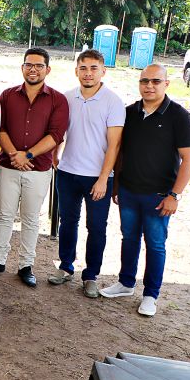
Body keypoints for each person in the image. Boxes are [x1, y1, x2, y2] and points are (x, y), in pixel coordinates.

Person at [100, 64, 190, 316]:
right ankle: (126, 283)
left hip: (159, 196)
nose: (149, 86)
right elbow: (120, 150)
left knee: (155, 245)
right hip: (129, 191)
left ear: (166, 84)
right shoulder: (129, 113)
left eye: (155, 81)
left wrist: (174, 195)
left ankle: (151, 294)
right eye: (144, 81)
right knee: (129, 239)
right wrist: (117, 185)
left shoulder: (179, 116)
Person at [0, 48, 69, 287]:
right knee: (5, 216)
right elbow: (0, 129)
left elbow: (56, 135)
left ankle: (25, 265)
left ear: (47, 70)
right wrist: (14, 155)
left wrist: (27, 155)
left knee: (30, 219)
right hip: (9, 166)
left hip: (38, 169)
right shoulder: (7, 96)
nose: (33, 69)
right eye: (29, 64)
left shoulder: (58, 99)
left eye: (39, 65)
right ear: (22, 68)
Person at [49, 49, 124, 298]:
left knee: (97, 227)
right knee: (68, 222)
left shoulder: (113, 102)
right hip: (68, 173)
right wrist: (55, 154)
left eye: (94, 68)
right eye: (83, 68)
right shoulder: (67, 98)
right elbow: (59, 131)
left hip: (98, 177)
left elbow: (114, 145)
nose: (88, 73)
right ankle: (65, 266)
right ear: (76, 71)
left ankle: (91, 274)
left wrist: (104, 179)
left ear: (103, 71)